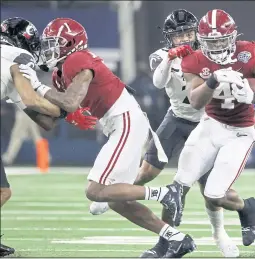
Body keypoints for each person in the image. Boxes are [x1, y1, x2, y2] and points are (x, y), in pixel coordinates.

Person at [20, 17, 196, 257]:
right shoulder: (59, 74)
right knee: (115, 199)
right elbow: (50, 121)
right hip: (118, 123)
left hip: (125, 120)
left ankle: (166, 194)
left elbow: (70, 102)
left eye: (55, 43)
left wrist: (37, 88)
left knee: (95, 191)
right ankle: (176, 238)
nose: (50, 48)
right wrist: (22, 98)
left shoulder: (77, 59)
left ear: (70, 43)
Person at [90, 9, 239, 258]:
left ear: (197, 34)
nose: (183, 38)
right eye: (178, 34)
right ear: (169, 37)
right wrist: (171, 57)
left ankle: (220, 234)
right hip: (176, 119)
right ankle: (113, 195)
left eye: (187, 33)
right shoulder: (161, 55)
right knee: (147, 171)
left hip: (205, 123)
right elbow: (159, 82)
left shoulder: (208, 54)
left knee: (209, 189)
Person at [173, 9, 255, 247]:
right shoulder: (194, 59)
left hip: (240, 130)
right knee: (179, 183)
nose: (217, 45)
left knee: (214, 195)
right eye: (211, 41)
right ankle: (166, 241)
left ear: (233, 36)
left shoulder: (247, 53)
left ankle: (247, 208)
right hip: (211, 124)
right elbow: (196, 101)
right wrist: (213, 80)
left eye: (221, 39)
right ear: (201, 40)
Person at [0, 17, 93, 257]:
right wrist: (69, 112)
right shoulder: (17, 57)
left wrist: (60, 114)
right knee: (2, 192)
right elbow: (34, 100)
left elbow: (37, 115)